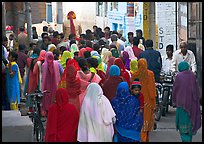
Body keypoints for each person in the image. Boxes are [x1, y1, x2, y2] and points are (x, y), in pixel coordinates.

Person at [172, 61, 201, 142]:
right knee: (190, 124)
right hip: (192, 104)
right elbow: (197, 90)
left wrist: (174, 100)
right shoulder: (192, 75)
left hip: (181, 105)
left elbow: (175, 89)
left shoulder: (179, 76)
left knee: (183, 127)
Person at [131, 58, 156, 142]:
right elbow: (152, 90)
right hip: (148, 102)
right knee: (147, 122)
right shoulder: (150, 74)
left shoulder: (134, 75)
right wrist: (154, 104)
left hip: (137, 102)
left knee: (139, 122)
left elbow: (131, 89)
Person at [41, 52, 60, 116]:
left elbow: (43, 75)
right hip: (55, 83)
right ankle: (53, 110)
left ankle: (47, 110)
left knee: (46, 96)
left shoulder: (44, 65)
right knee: (53, 96)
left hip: (46, 84)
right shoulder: (56, 64)